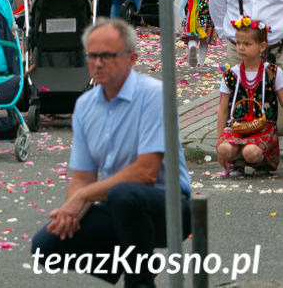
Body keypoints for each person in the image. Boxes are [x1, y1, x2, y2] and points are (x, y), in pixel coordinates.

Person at [31, 19, 192, 286]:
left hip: (170, 207)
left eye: (107, 55)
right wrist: (72, 211)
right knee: (45, 246)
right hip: (121, 209)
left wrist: (84, 195)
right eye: (92, 55)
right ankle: (140, 261)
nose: (97, 63)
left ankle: (139, 280)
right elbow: (83, 177)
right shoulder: (84, 105)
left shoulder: (154, 95)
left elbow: (146, 173)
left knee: (123, 195)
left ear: (131, 59)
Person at [216, 16, 281, 176]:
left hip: (263, 128)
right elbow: (223, 110)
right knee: (224, 148)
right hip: (237, 127)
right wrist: (219, 139)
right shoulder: (231, 74)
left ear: (262, 46)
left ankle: (261, 161)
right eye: (238, 43)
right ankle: (237, 163)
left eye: (247, 44)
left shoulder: (273, 72)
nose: (241, 48)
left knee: (251, 152)